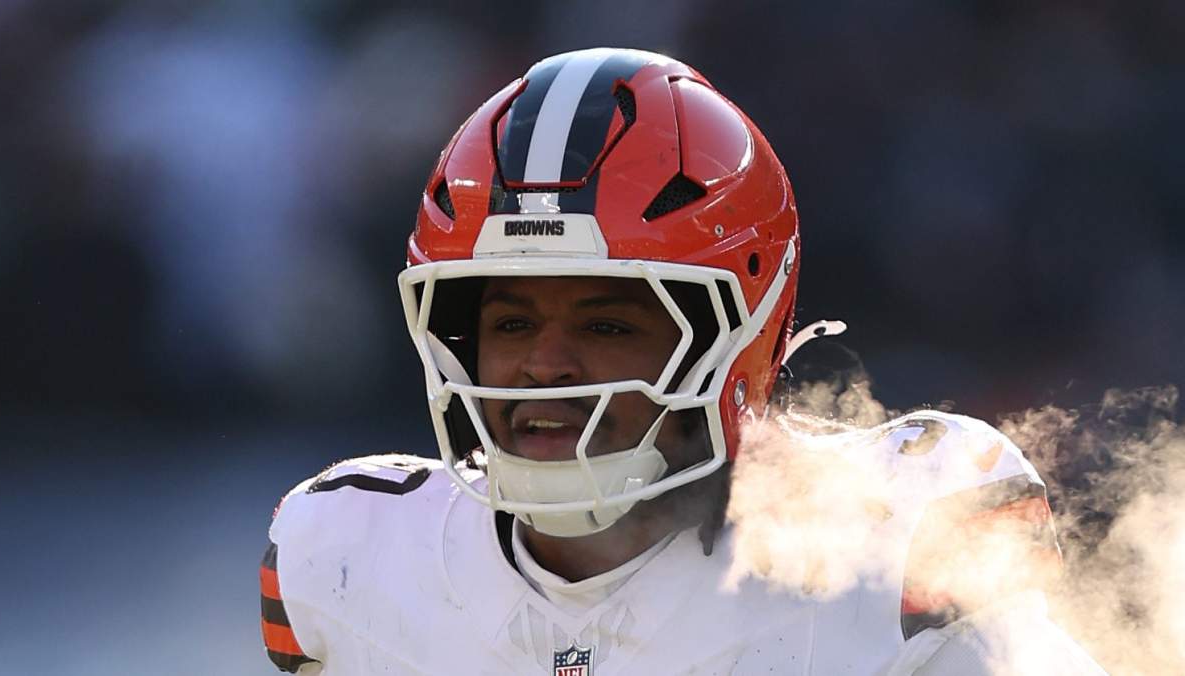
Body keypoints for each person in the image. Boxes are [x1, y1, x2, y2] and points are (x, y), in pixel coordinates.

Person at [259, 48, 1106, 675]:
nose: (545, 366)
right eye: (511, 323)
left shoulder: (895, 542)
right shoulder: (347, 560)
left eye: (607, 326)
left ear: (738, 334)